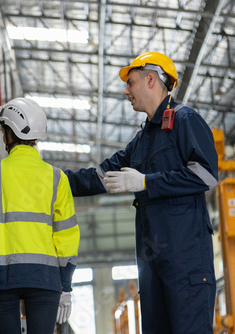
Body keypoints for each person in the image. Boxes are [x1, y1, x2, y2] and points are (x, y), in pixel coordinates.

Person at [65, 52, 218, 334]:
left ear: (151, 79)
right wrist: (49, 180)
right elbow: (100, 177)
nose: (126, 91)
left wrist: (148, 182)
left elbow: (206, 175)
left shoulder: (185, 120)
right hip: (153, 269)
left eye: (130, 83)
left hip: (186, 267)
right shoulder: (142, 139)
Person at [0, 98, 80, 334]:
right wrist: (65, 285)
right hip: (45, 278)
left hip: (1, 275)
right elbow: (67, 237)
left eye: (3, 129)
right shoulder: (57, 178)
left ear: (9, 132)